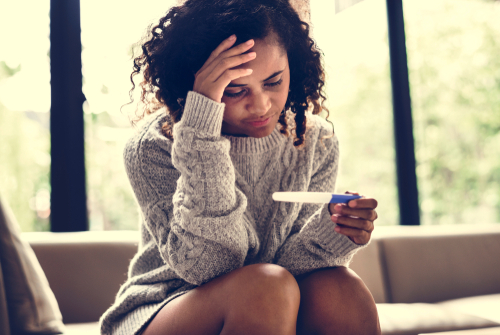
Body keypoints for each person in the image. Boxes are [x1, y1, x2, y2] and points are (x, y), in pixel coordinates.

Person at [100, 0, 380, 334]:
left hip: (271, 295)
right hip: (166, 302)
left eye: (274, 81)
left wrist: (334, 233)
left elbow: (289, 272)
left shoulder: (315, 140)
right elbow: (208, 265)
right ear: (194, 85)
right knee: (265, 287)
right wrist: (201, 129)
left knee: (339, 288)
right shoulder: (154, 145)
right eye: (235, 89)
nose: (261, 105)